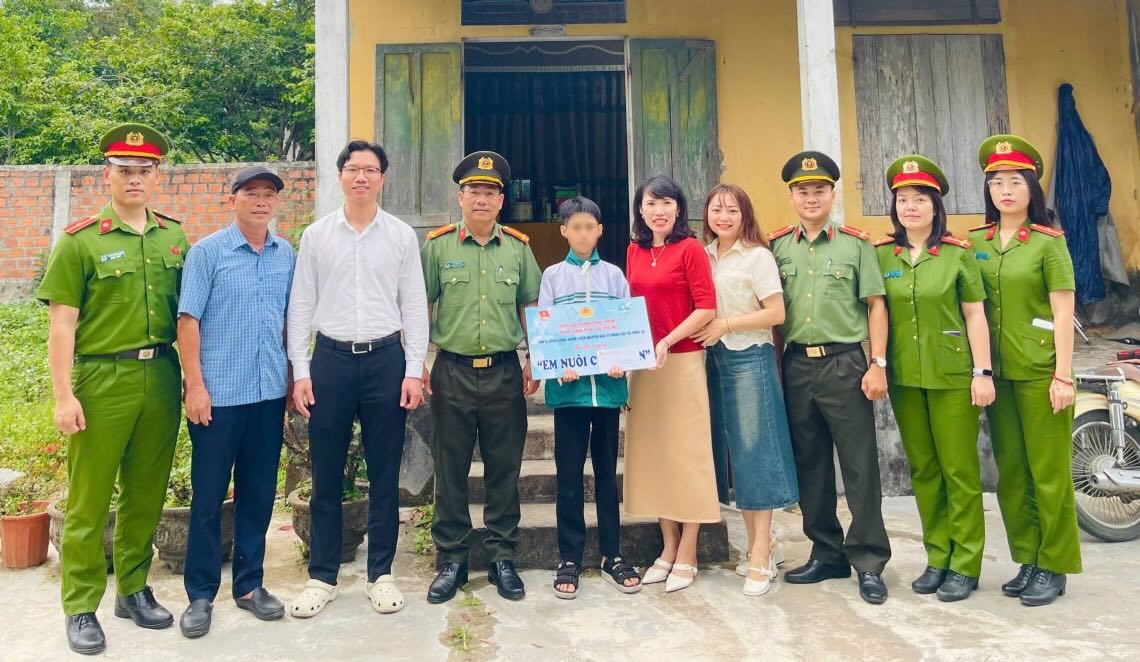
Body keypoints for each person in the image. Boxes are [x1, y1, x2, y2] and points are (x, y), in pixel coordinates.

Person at [36, 123, 189, 655]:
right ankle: (81, 604)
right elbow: (62, 324)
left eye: (144, 170)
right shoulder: (80, 241)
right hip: (102, 379)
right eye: (124, 170)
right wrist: (63, 394)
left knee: (147, 492)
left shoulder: (173, 237)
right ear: (108, 174)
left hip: (162, 377)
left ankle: (133, 589)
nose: (135, 179)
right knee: (90, 498)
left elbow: (188, 316)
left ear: (157, 175)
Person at [287, 140, 429, 618]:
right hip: (330, 360)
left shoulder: (401, 236)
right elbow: (301, 305)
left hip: (386, 360)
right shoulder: (318, 236)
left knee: (384, 471)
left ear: (383, 177)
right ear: (341, 176)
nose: (362, 177)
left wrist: (413, 369)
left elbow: (413, 305)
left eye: (370, 169)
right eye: (353, 169)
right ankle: (322, 576)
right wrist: (301, 370)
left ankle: (381, 573)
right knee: (325, 472)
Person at [176, 166, 295, 637]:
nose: (261, 201)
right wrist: (196, 386)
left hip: (268, 395)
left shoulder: (286, 254)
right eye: (252, 194)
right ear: (233, 201)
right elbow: (188, 321)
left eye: (269, 195)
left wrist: (290, 376)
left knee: (259, 495)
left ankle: (249, 585)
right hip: (219, 398)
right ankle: (200, 594)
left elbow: (290, 317)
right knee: (207, 498)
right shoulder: (208, 254)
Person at [768, 151, 893, 605]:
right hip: (797, 364)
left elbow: (877, 304)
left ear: (832, 194)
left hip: (845, 364)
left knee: (859, 466)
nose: (811, 197)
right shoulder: (778, 246)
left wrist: (877, 363)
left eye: (819, 189)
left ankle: (868, 560)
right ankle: (827, 552)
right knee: (811, 465)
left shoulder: (856, 244)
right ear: (792, 197)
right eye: (803, 191)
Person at [422, 151, 542, 604]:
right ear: (460, 197)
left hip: (504, 371)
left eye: (490, 192)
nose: (481, 199)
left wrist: (535, 357)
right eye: (474, 191)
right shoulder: (437, 247)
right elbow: (422, 306)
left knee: (504, 466)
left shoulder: (518, 247)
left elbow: (528, 304)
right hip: (450, 370)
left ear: (501, 200)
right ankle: (452, 558)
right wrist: (421, 361)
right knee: (449, 467)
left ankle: (501, 557)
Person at [873, 156, 993, 602]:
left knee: (959, 471)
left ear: (935, 205)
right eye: (902, 199)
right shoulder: (883, 254)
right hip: (906, 377)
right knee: (924, 470)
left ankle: (965, 563)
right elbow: (876, 313)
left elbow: (975, 314)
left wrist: (983, 372)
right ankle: (938, 555)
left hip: (952, 375)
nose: (910, 207)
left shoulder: (958, 254)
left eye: (919, 199)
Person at [968, 134, 1081, 606]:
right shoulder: (975, 242)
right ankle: (1029, 557)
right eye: (997, 183)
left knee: (1048, 472)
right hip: (998, 374)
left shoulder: (1048, 244)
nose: (1005, 191)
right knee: (1011, 473)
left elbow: (1062, 312)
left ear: (1032, 188)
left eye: (1016, 181)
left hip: (1039, 372)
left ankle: (1054, 564)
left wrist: (1064, 375)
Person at [693, 184, 799, 597]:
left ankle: (759, 552)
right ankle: (762, 543)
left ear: (745, 215)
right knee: (733, 453)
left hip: (748, 357)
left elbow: (776, 312)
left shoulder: (758, 257)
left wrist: (727, 325)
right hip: (711, 361)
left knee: (756, 451)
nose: (723, 217)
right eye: (716, 209)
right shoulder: (702, 256)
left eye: (731, 210)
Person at [538, 196, 642, 599]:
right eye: (575, 227)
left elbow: (627, 326)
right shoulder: (552, 277)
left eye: (590, 227)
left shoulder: (615, 276)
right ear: (564, 231)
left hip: (608, 390)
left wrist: (623, 360)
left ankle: (612, 554)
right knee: (568, 477)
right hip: (570, 392)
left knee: (605, 475)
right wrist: (558, 362)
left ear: (600, 230)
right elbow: (547, 331)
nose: (583, 233)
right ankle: (569, 557)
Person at [624, 175, 719, 593]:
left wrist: (667, 340)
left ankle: (690, 550)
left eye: (666, 203)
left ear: (679, 209)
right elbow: (630, 307)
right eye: (650, 203)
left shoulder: (691, 249)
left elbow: (706, 308)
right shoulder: (635, 250)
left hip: (681, 362)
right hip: (644, 366)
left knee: (688, 453)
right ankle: (668, 545)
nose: (658, 210)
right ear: (640, 210)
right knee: (655, 453)